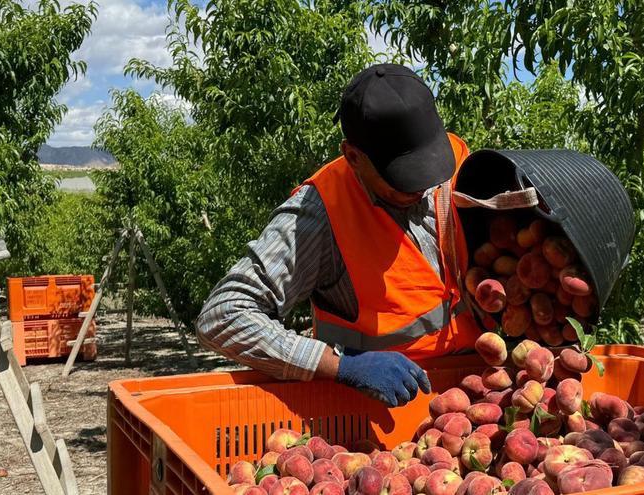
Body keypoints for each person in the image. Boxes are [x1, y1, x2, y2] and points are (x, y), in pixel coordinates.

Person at [196, 64, 482, 407]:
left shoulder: (455, 163)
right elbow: (222, 315)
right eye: (403, 178)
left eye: (428, 166)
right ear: (354, 156)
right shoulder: (319, 214)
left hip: (473, 392)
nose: (422, 186)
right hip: (378, 410)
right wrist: (340, 365)